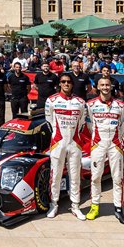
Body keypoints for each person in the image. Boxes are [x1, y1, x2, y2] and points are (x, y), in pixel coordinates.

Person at [86, 76, 124, 224]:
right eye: (102, 85)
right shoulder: (90, 105)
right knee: (95, 176)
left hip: (115, 144)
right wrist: (97, 139)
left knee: (117, 178)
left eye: (107, 85)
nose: (105, 87)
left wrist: (117, 139)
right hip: (98, 144)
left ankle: (118, 209)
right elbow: (89, 125)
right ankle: (95, 206)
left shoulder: (121, 105)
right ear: (97, 87)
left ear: (111, 87)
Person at [45, 74, 87, 220]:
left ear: (72, 84)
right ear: (59, 84)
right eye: (63, 81)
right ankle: (54, 204)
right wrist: (57, 138)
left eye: (69, 82)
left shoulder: (80, 102)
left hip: (75, 143)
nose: (66, 84)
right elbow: (49, 121)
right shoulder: (51, 100)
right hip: (58, 142)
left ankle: (75, 205)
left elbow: (82, 123)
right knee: (55, 174)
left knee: (75, 175)